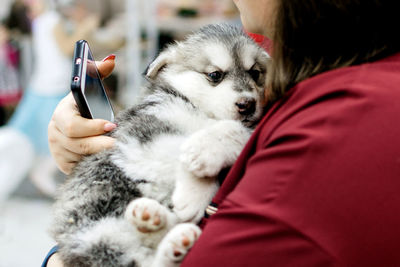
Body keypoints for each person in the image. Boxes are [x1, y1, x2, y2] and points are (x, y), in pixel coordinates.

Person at [45, 0, 400, 266]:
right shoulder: (307, 65)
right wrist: (100, 156)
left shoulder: (337, 116)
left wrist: (58, 261)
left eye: (257, 74)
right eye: (215, 76)